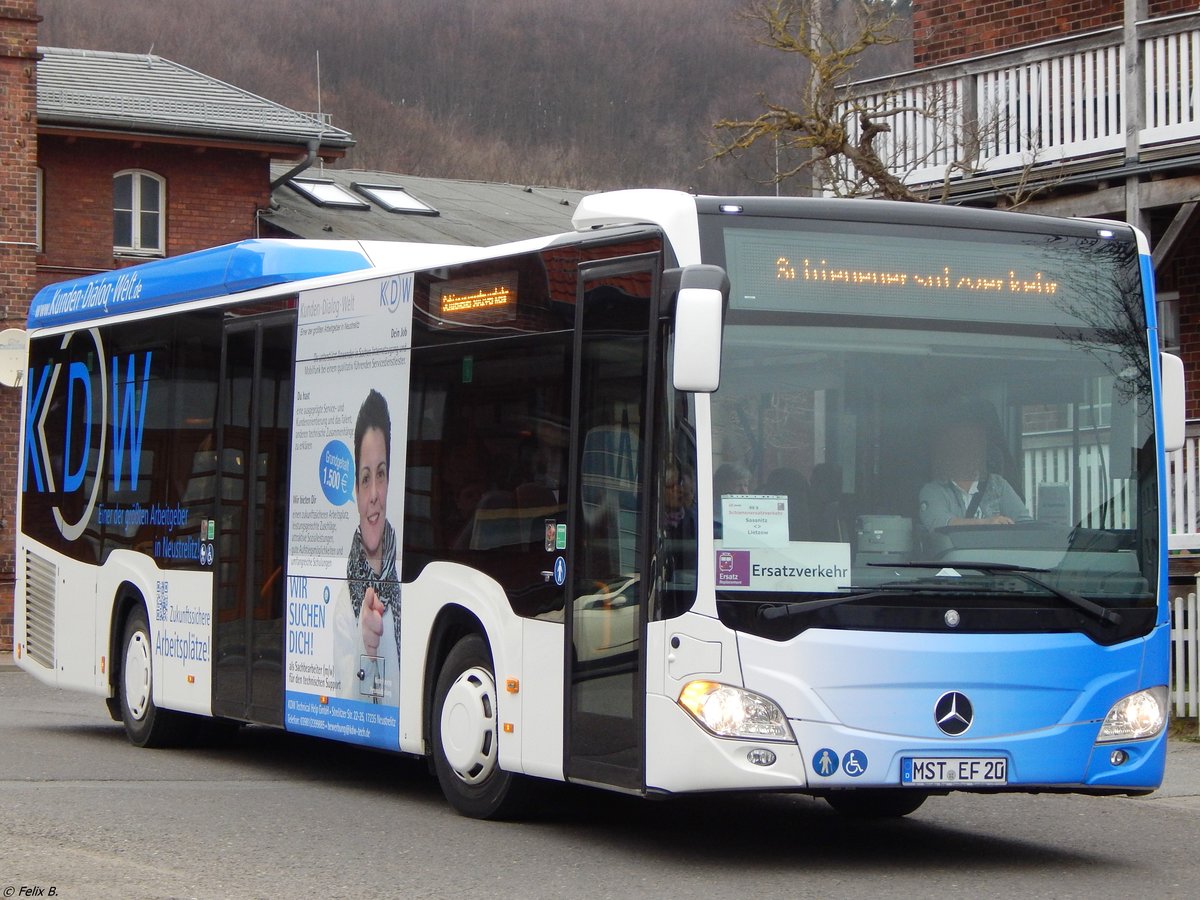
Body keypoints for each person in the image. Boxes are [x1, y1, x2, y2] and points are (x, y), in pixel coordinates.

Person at [342, 389, 401, 701]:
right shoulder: (343, 600)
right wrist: (364, 647)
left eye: (381, 474)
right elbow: (345, 706)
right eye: (366, 479)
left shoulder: (408, 581)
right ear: (355, 489)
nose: (375, 493)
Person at [918, 418, 1031, 531]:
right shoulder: (933, 491)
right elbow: (938, 524)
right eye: (960, 446)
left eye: (973, 445)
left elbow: (1025, 523)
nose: (967, 452)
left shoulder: (998, 485)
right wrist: (987, 523)